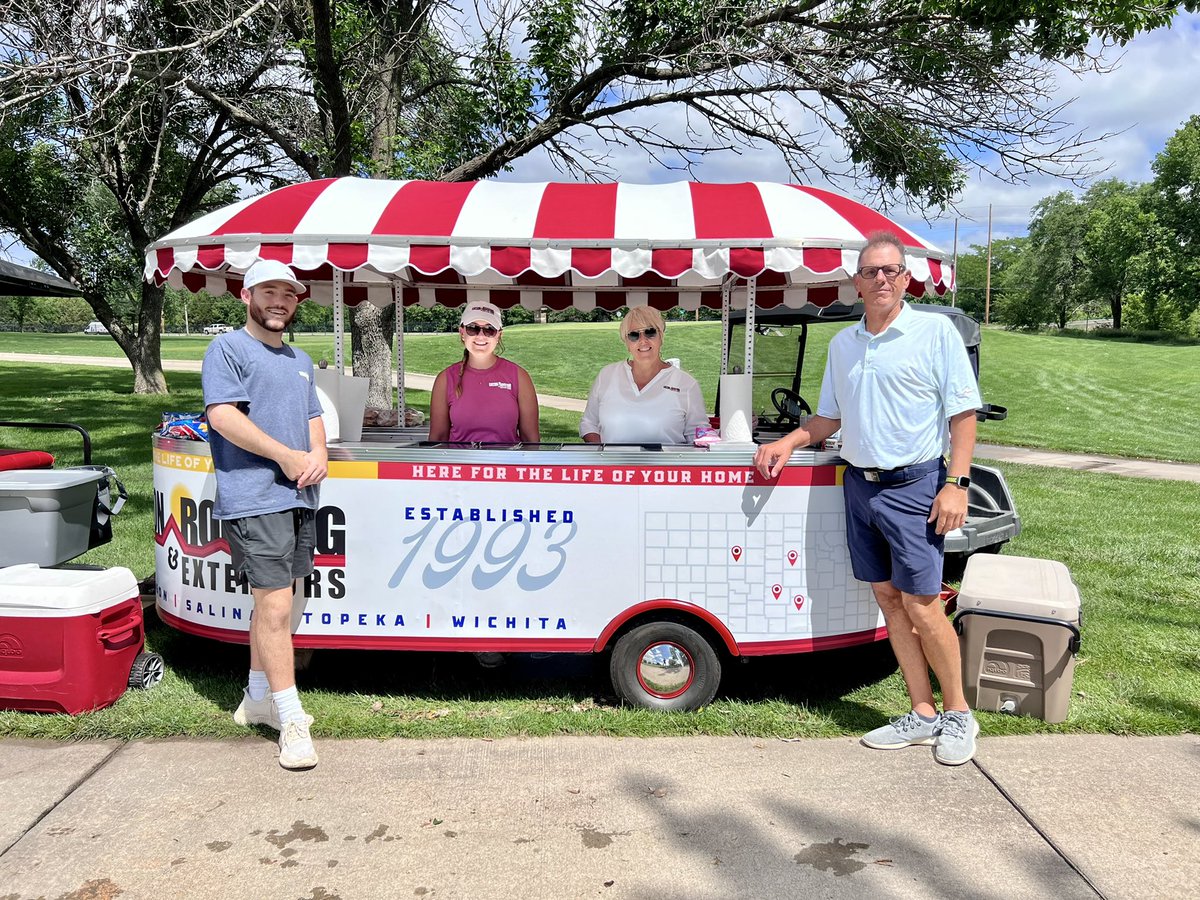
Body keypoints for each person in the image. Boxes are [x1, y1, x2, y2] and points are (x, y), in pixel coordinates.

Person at [753, 232, 982, 766]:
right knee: (890, 602)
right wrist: (788, 440)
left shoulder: (934, 333)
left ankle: (958, 715)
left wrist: (959, 483)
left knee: (924, 606)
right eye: (871, 272)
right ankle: (922, 713)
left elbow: (963, 414)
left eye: (891, 271)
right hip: (860, 486)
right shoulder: (843, 345)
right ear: (856, 282)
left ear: (906, 278)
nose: (881, 279)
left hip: (917, 487)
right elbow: (829, 417)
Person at [202, 259, 327, 771]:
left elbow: (313, 416)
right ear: (246, 295)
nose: (280, 301)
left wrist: (316, 454)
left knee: (278, 604)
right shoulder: (227, 348)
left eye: (289, 294)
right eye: (270, 292)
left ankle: (257, 698)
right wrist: (285, 456)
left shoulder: (299, 358)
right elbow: (222, 416)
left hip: (298, 495)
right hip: (256, 496)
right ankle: (291, 720)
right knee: (276, 609)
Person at [580, 307, 708, 444]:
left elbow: (698, 434)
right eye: (634, 335)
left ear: (661, 336)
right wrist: (602, 455)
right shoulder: (606, 375)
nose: (643, 341)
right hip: (613, 465)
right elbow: (589, 423)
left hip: (667, 465)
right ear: (627, 343)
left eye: (650, 332)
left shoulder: (686, 384)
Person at [428, 301, 540, 444]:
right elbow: (437, 440)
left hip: (506, 464)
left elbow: (531, 441)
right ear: (462, 332)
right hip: (460, 464)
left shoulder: (519, 377)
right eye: (473, 328)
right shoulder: (445, 379)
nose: (481, 336)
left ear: (499, 335)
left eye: (489, 330)